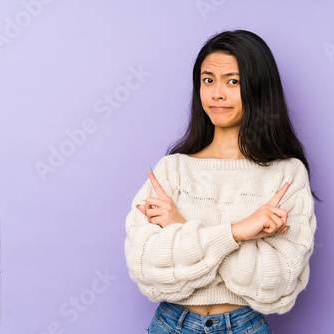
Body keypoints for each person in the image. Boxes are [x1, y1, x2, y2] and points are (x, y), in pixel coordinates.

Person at [125, 29, 318, 334]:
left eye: (233, 81)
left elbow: (280, 279)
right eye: (208, 80)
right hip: (170, 325)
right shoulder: (172, 169)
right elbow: (145, 264)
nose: (217, 93)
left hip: (244, 326)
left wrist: (179, 229)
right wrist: (239, 231)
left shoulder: (285, 174)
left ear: (258, 87)